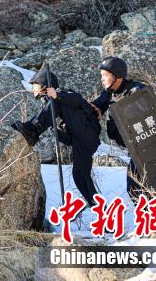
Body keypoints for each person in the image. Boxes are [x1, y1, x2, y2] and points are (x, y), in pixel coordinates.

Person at [11, 65, 102, 207]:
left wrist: (57, 95)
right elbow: (66, 136)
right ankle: (101, 211)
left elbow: (77, 99)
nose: (33, 90)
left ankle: (33, 130)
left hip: (86, 135)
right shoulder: (52, 107)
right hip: (80, 141)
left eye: (35, 86)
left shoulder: (62, 96)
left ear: (44, 86)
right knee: (80, 175)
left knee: (54, 104)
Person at [89, 56, 148, 199]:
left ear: (117, 76)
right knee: (138, 189)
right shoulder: (109, 94)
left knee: (135, 188)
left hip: (147, 147)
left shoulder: (137, 90)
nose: (102, 79)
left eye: (105, 76)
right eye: (101, 76)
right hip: (134, 149)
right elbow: (93, 108)